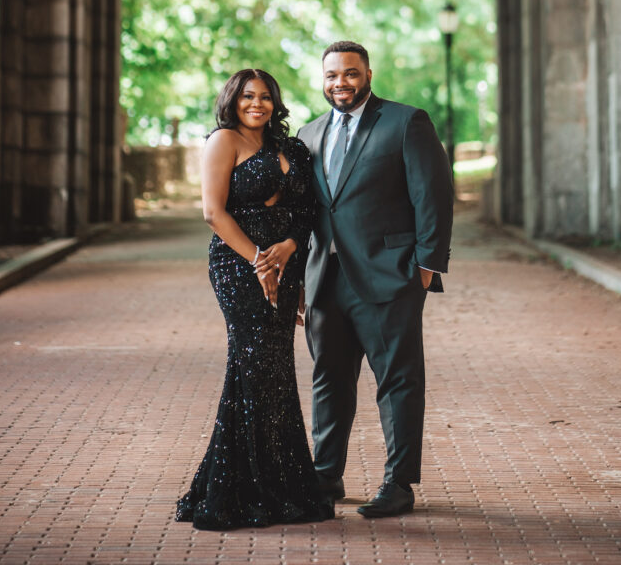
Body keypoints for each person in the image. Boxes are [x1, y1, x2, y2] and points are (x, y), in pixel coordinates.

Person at [298, 41, 454, 519]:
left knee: (399, 381)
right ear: (322, 80)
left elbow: (434, 194)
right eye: (331, 76)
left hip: (391, 277)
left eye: (349, 73)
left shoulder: (406, 122)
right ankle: (326, 478)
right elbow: (305, 212)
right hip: (325, 280)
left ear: (368, 73)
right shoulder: (308, 134)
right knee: (329, 381)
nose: (340, 83)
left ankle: (398, 484)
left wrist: (427, 268)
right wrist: (297, 284)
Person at [176, 69, 334, 531]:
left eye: (265, 97)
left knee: (272, 370)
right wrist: (258, 261)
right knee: (255, 362)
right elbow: (213, 212)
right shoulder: (223, 141)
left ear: (275, 103)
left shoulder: (291, 148)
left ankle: (265, 484)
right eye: (248, 96)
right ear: (233, 99)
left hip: (285, 264)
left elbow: (307, 209)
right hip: (237, 264)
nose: (257, 104)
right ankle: (246, 490)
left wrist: (289, 247)